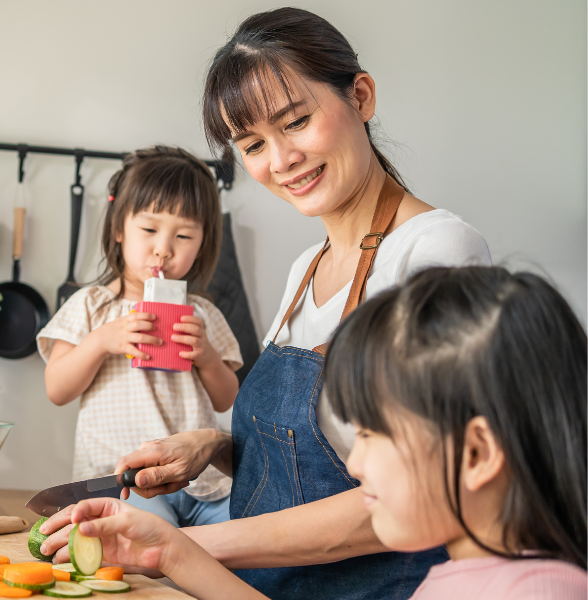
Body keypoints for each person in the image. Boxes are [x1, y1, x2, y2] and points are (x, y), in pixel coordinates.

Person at [40, 7, 492, 599]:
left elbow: (422, 491)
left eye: (296, 122)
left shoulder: (438, 251)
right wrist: (209, 446)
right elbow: (300, 462)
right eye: (253, 144)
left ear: (361, 95)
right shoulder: (305, 270)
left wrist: (183, 546)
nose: (280, 161)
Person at [55, 266, 587, 600]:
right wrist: (170, 553)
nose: (353, 465)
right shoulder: (462, 578)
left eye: (373, 435)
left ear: (475, 453)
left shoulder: (536, 592)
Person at [37, 145, 242, 528]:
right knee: (144, 538)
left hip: (201, 483)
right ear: (118, 228)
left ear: (202, 244)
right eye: (149, 229)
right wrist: (101, 341)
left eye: (183, 236)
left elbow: (227, 397)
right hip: (124, 482)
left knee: (245, 532)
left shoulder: (203, 314)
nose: (163, 249)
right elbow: (57, 389)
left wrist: (208, 359)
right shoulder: (92, 305)